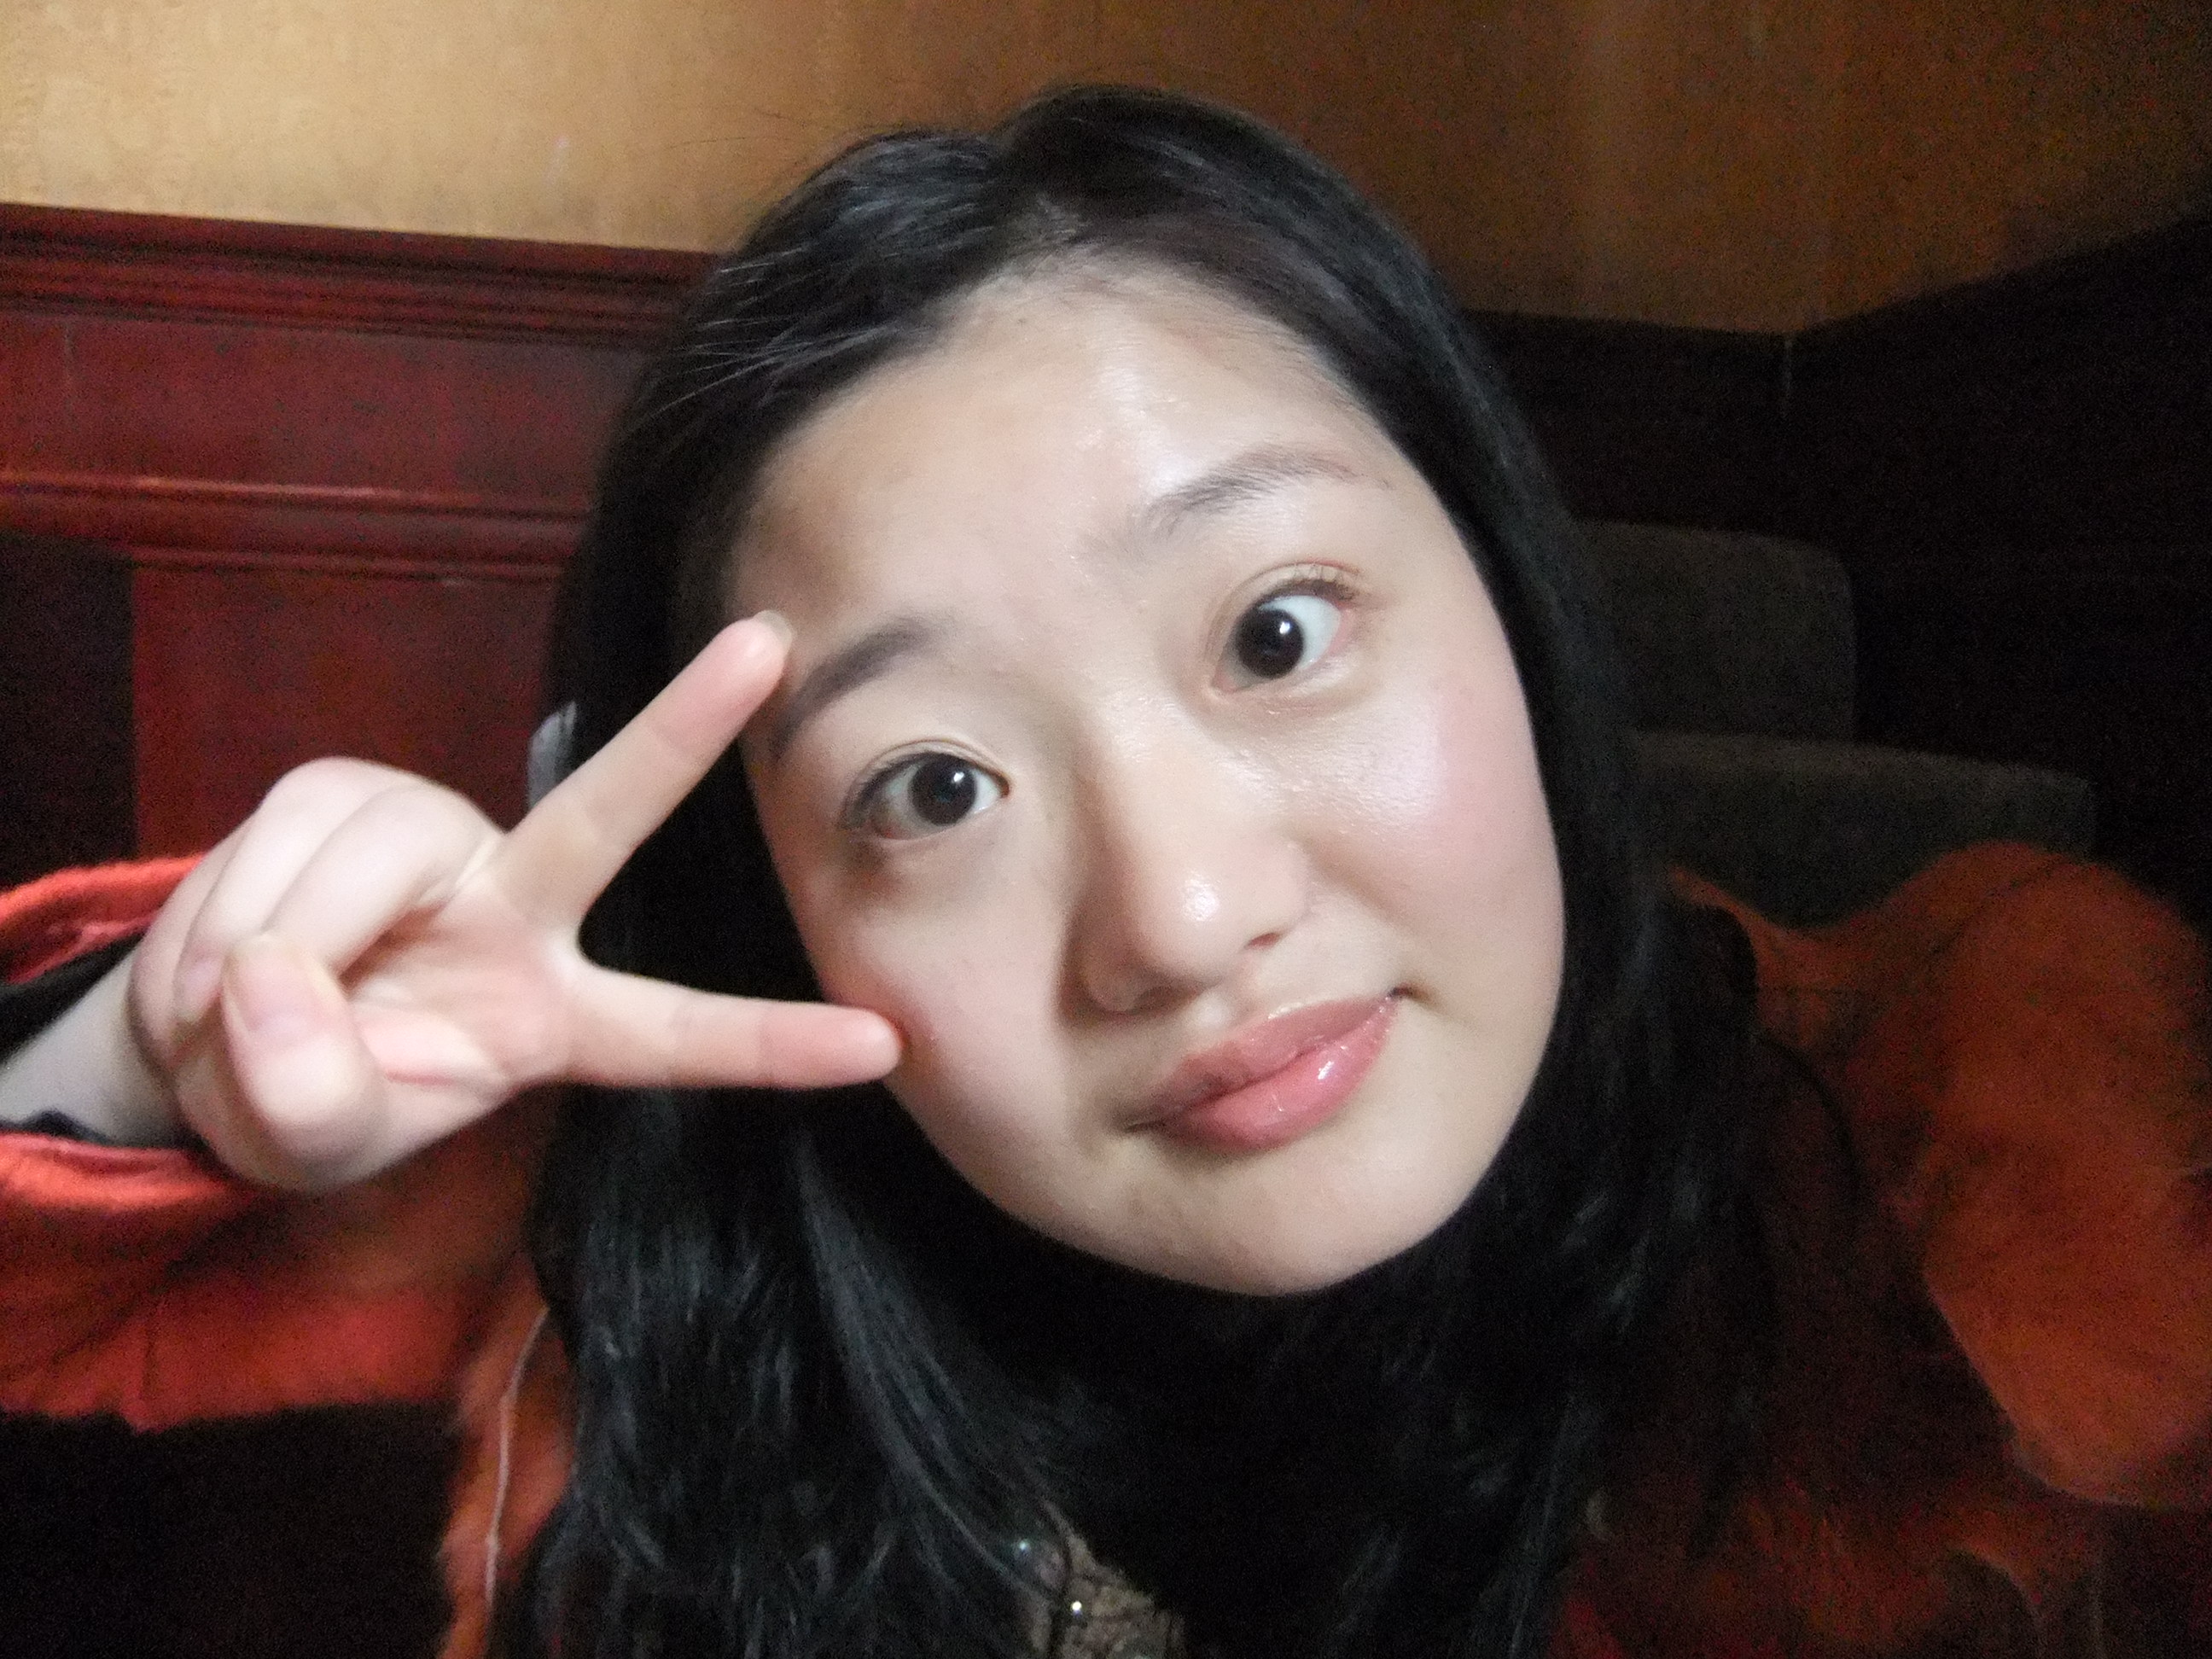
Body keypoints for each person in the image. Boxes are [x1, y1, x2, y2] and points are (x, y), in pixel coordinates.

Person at [2, 85, 2208, 1659]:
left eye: (1277, 636)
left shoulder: (2006, 1175)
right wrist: (146, 1066)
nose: (1177, 918)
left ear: (1515, 601)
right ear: (787, 903)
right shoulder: (662, 1234)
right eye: (936, 786)